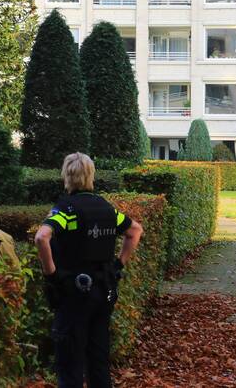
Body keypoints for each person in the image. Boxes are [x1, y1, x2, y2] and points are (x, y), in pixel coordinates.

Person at [34, 153, 144, 388]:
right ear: (91, 176)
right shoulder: (106, 209)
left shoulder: (66, 209)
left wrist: (51, 274)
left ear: (67, 176)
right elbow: (134, 231)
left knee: (70, 363)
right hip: (104, 292)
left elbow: (42, 236)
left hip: (73, 293)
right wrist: (118, 264)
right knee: (98, 358)